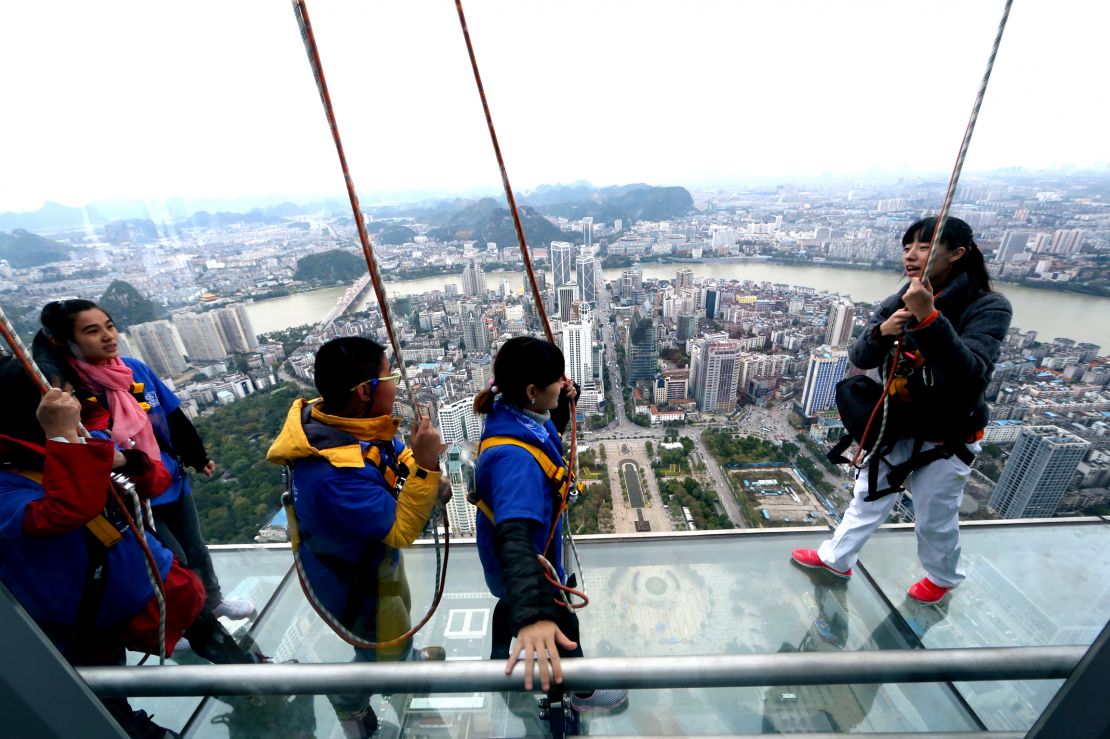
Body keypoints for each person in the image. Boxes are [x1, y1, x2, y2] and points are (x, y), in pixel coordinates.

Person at [791, 216, 1012, 603]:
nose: (911, 255)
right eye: (907, 246)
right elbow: (859, 355)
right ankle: (836, 559)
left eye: (924, 247)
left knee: (935, 514)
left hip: (949, 433)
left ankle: (942, 578)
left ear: (958, 253)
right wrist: (881, 332)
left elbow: (971, 375)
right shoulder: (899, 299)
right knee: (867, 496)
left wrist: (929, 318)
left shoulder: (988, 306)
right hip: (898, 421)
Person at [33, 300, 258, 658]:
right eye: (92, 331)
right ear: (63, 341)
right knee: (174, 561)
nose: (108, 337)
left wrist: (197, 457)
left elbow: (171, 414)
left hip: (167, 475)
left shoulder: (132, 370)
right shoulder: (70, 396)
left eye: (109, 326)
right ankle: (195, 623)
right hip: (131, 496)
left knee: (196, 547)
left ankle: (213, 602)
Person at [0, 356, 205, 739]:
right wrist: (63, 440)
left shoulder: (71, 445)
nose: (75, 402)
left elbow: (154, 481)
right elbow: (64, 512)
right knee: (104, 704)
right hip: (80, 626)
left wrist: (124, 458)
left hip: (122, 601)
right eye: (63, 397)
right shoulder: (12, 480)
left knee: (117, 682)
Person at [266, 336, 446, 739]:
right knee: (382, 644)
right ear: (365, 391)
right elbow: (401, 531)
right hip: (355, 581)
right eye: (390, 376)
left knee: (396, 625)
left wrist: (421, 469)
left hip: (371, 561)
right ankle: (354, 693)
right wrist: (428, 470)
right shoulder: (332, 474)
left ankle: (405, 659)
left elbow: (390, 455)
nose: (396, 385)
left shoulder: (344, 424)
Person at [472, 335, 625, 711]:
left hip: (513, 569)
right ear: (530, 391)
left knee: (510, 603)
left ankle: (499, 653)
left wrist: (557, 406)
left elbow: (542, 438)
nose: (564, 382)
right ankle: (581, 694)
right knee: (563, 629)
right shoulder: (514, 460)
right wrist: (536, 614)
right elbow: (514, 537)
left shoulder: (510, 416)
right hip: (528, 566)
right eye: (556, 379)